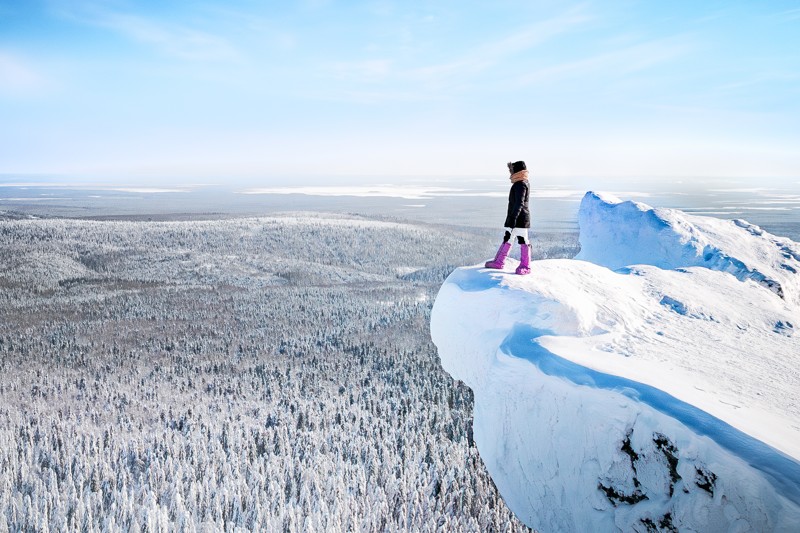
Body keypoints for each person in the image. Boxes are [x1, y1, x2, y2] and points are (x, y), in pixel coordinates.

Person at [485, 160, 532, 275]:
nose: (510, 173)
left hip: (520, 219)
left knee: (523, 240)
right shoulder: (521, 183)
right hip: (516, 218)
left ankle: (526, 266)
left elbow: (519, 204)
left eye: (511, 170)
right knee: (508, 238)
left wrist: (513, 220)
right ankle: (499, 261)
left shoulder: (521, 184)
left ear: (517, 171)